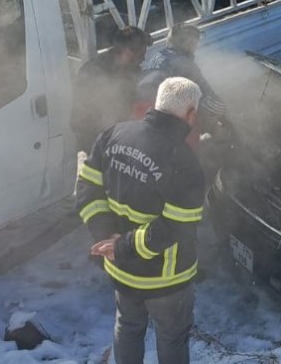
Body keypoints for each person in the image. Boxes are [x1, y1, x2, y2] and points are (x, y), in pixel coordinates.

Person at [75, 77, 207, 364]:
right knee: (171, 338)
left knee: (128, 328)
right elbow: (176, 227)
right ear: (190, 114)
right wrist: (120, 245)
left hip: (120, 270)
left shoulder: (114, 134)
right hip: (166, 278)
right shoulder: (185, 162)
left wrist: (105, 238)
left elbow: (87, 189)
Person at [72, 26, 152, 150]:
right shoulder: (93, 71)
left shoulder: (133, 70)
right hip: (94, 138)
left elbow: (132, 102)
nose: (143, 59)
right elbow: (83, 115)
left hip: (121, 134)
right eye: (141, 54)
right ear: (128, 52)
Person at [133, 24, 226, 124]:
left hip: (139, 113)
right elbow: (205, 97)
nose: (195, 48)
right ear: (189, 43)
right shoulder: (184, 64)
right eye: (195, 44)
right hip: (161, 118)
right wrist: (224, 111)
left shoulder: (158, 55)